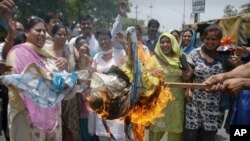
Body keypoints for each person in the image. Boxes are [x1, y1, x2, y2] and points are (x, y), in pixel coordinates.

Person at [5, 16, 65, 141]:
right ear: (26, 32)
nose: (42, 34)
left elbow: (59, 81)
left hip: (51, 116)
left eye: (44, 31)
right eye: (38, 30)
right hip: (27, 114)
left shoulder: (48, 56)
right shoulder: (18, 53)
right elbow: (14, 80)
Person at [184, 24, 241, 141]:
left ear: (219, 40)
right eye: (207, 38)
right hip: (194, 102)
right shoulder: (195, 54)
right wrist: (188, 88)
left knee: (208, 136)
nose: (210, 42)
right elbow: (188, 75)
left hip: (215, 104)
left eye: (214, 39)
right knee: (191, 135)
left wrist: (237, 64)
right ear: (203, 38)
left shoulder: (225, 55)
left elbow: (234, 75)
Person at [148, 32, 189, 141]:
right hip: (158, 102)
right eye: (162, 42)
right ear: (158, 44)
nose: (165, 45)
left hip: (176, 102)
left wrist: (186, 74)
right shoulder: (153, 60)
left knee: (175, 131)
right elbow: (145, 78)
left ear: (173, 44)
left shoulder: (180, 58)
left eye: (168, 42)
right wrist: (153, 77)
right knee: (155, 130)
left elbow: (188, 77)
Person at [48, 24, 81, 141]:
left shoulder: (71, 49)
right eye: (59, 34)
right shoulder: (46, 51)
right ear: (53, 36)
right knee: (56, 125)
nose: (62, 36)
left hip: (69, 95)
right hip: (53, 95)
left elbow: (79, 65)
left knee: (71, 126)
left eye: (65, 34)